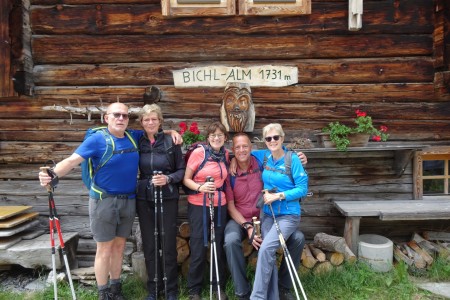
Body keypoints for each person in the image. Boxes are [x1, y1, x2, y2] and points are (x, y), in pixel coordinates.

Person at [38, 102, 182, 300]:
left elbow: (152, 128)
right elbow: (72, 160)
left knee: (119, 246)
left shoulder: (133, 136)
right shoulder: (98, 139)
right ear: (106, 118)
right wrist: (53, 174)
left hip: (129, 200)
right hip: (103, 200)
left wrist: (171, 130)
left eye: (124, 115)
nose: (121, 118)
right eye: (116, 115)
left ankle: (116, 289)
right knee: (104, 248)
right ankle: (103, 292)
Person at [224, 132, 306, 300]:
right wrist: (247, 227)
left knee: (298, 238)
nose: (241, 150)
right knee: (230, 240)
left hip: (265, 217)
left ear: (251, 148)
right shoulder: (229, 172)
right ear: (232, 150)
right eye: (237, 147)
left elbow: (281, 158)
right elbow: (230, 207)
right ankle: (243, 292)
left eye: (245, 146)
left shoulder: (263, 162)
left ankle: (283, 288)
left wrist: (299, 158)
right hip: (240, 219)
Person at [249, 123, 308, 300]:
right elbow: (242, 153)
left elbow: (302, 189)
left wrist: (279, 195)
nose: (272, 141)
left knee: (266, 248)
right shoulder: (264, 156)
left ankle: (257, 297)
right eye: (268, 138)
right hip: (268, 214)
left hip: (288, 215)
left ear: (282, 138)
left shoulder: (293, 159)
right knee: (267, 252)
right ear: (265, 141)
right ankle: (273, 296)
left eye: (276, 137)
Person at [136, 104, 185, 300]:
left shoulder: (171, 142)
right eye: (146, 119)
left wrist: (168, 179)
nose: (150, 122)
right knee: (149, 244)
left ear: (160, 121)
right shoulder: (137, 141)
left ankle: (171, 288)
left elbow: (181, 170)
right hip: (144, 197)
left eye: (154, 119)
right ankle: (153, 289)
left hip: (168, 196)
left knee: (167, 244)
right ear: (141, 122)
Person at [183, 121, 230, 300]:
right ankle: (194, 289)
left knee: (217, 245)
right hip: (198, 204)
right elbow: (186, 179)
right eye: (213, 135)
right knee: (198, 244)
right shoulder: (199, 153)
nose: (216, 138)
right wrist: (200, 187)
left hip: (220, 204)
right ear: (208, 138)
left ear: (225, 138)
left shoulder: (225, 154)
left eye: (219, 135)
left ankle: (219, 287)